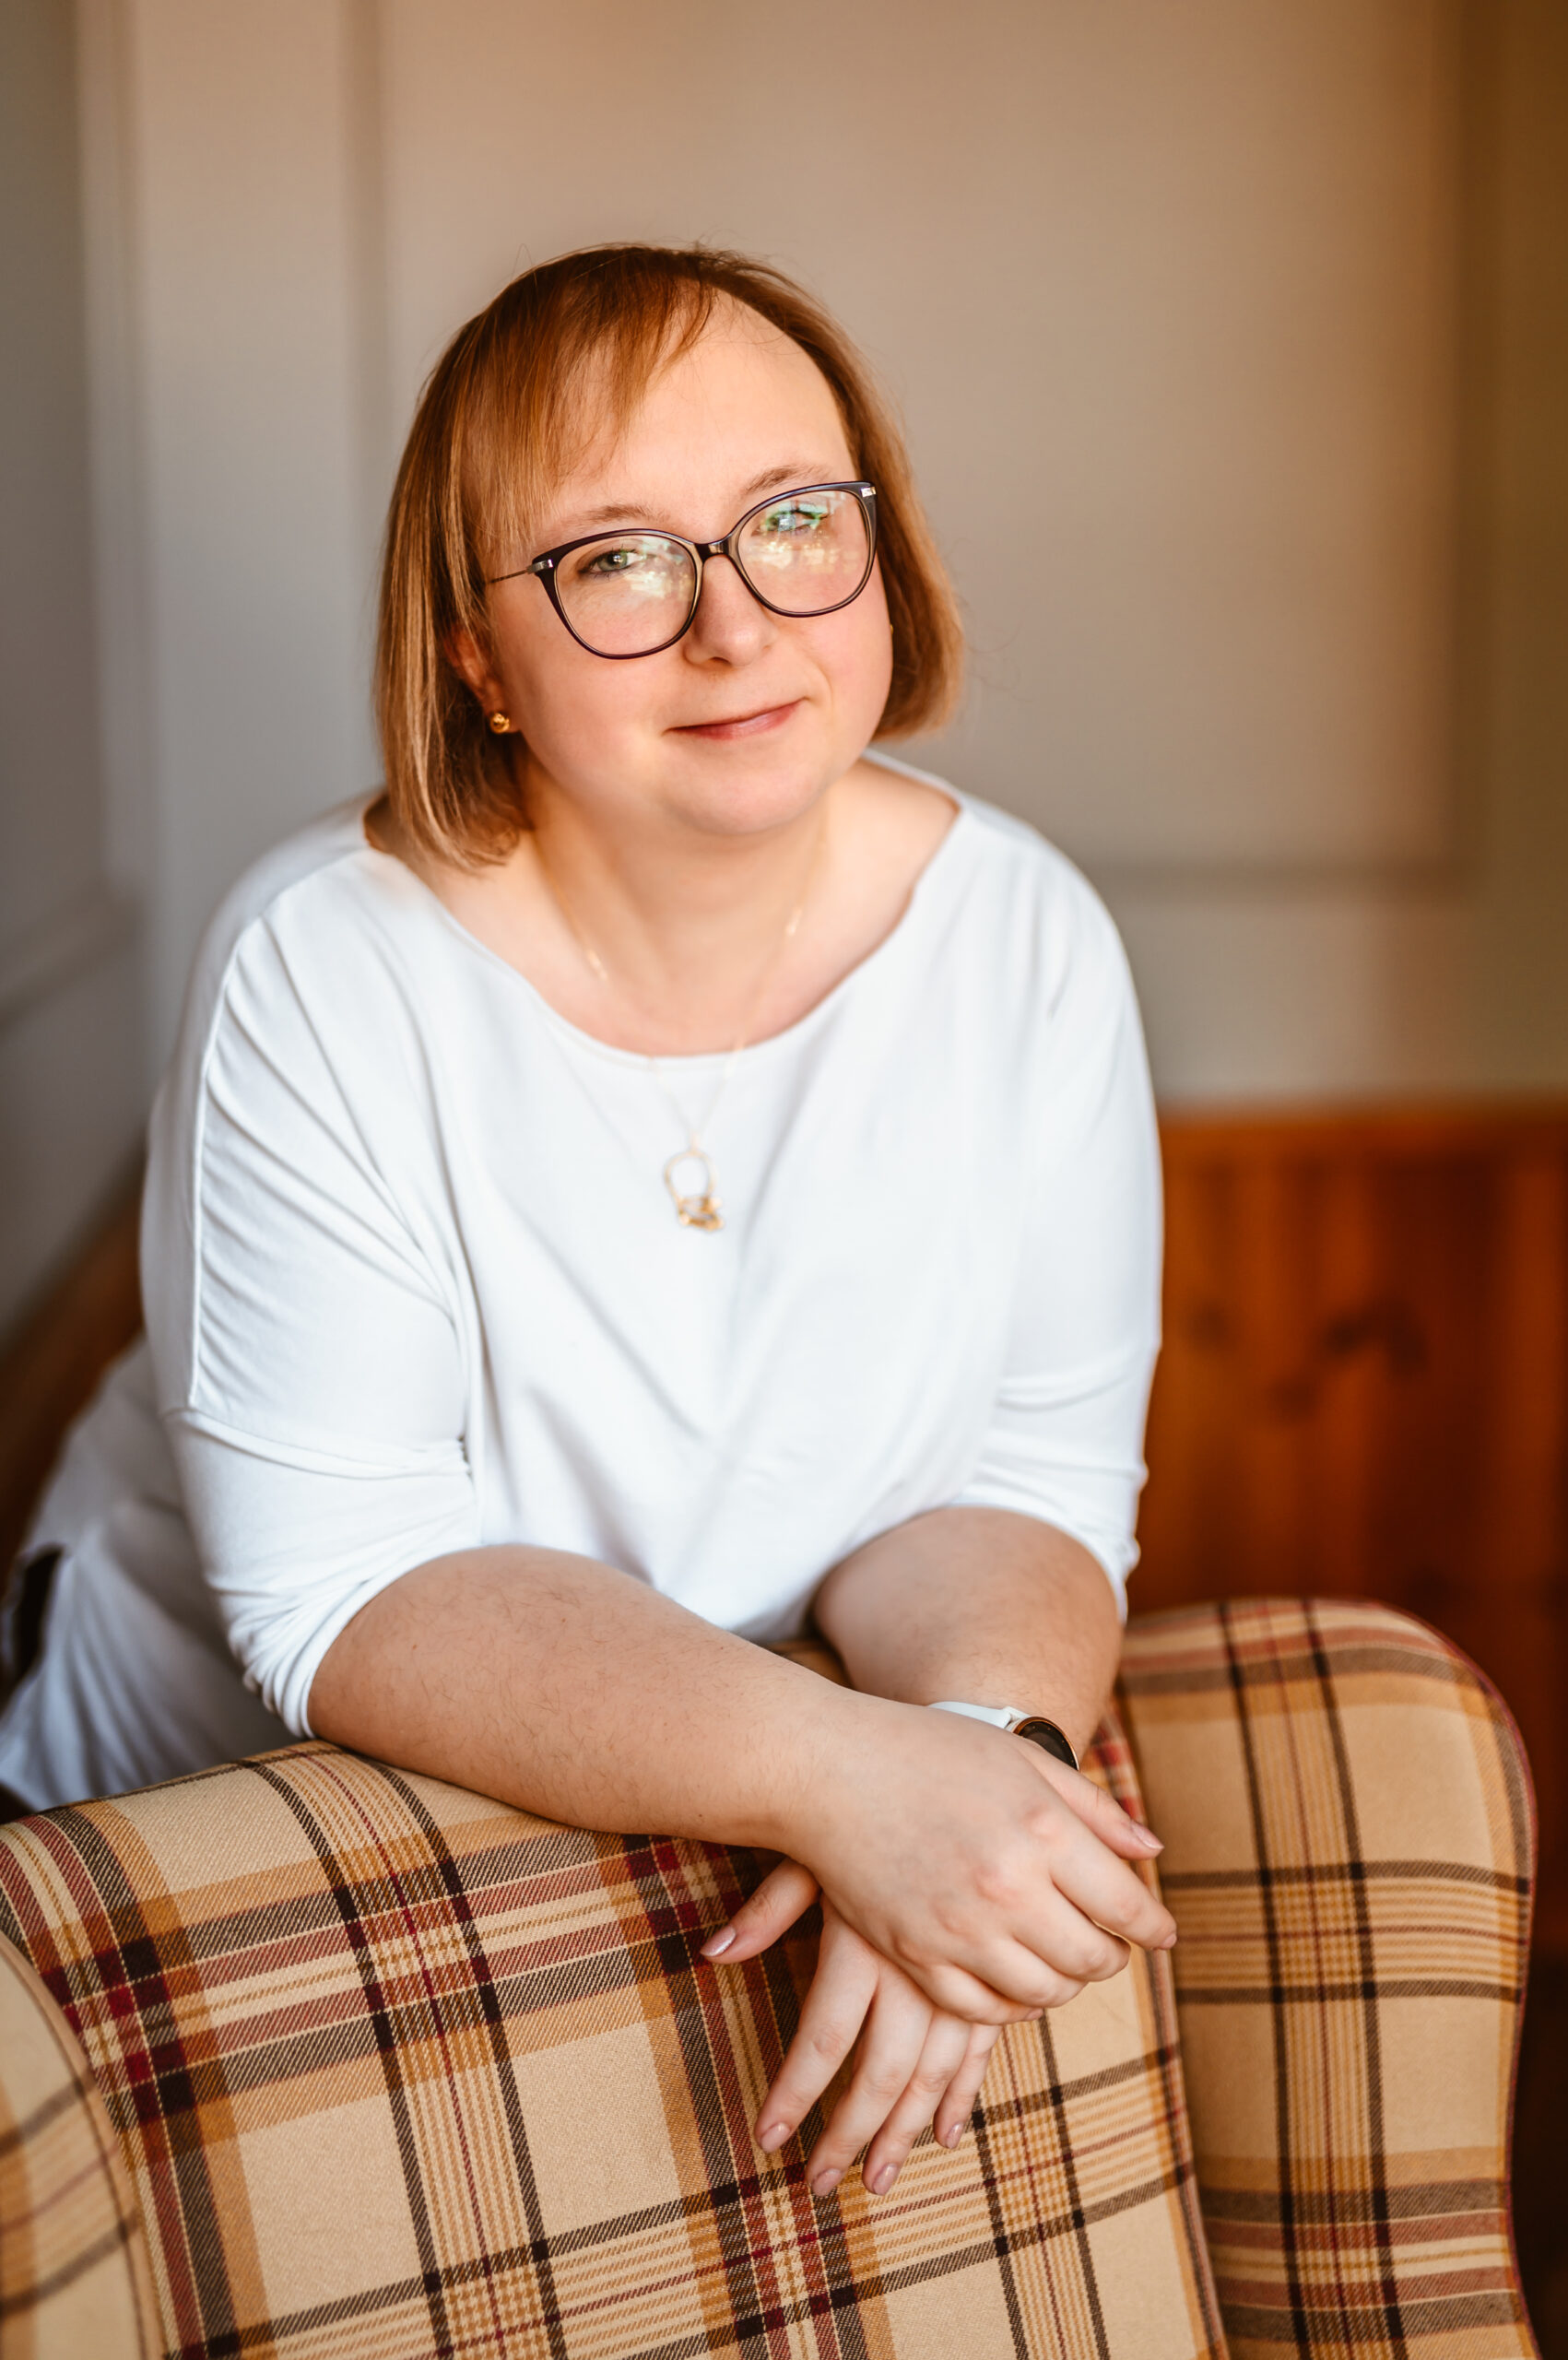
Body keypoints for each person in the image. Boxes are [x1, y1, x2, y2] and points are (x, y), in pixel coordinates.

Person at [0, 244, 1173, 2202]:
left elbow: (1024, 1480)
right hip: (227, 1837)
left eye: (792, 521)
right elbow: (346, 1588)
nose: (736, 624)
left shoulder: (1028, 938)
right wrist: (847, 1771)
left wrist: (978, 1758)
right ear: (475, 653)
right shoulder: (321, 966)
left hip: (693, 1811)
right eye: (619, 559)